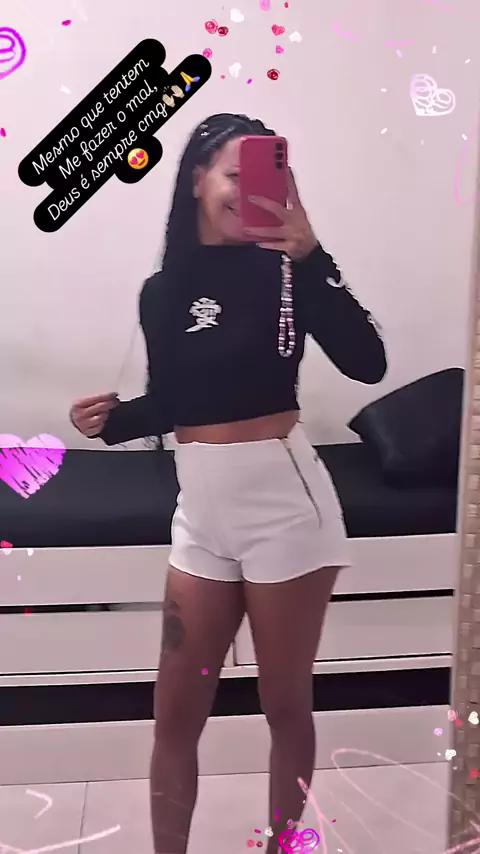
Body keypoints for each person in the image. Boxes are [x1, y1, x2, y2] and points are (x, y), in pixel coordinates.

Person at [70, 113, 387, 854]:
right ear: (196, 180)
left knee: (284, 705)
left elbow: (366, 363)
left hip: (286, 511)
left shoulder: (288, 271)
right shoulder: (162, 291)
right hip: (202, 516)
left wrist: (312, 255)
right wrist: (110, 423)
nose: (247, 192)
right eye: (233, 176)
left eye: (263, 177)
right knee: (175, 715)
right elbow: (180, 398)